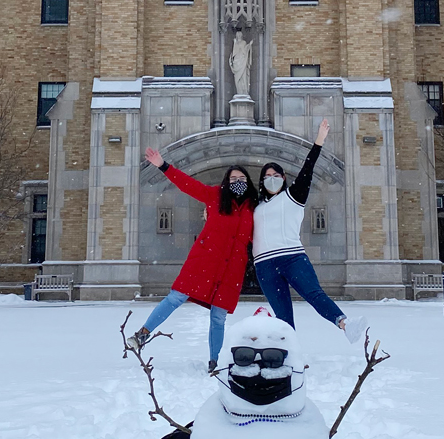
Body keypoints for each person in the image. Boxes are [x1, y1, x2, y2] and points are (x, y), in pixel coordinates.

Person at [127, 147, 259, 373]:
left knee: (218, 317)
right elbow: (187, 184)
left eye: (241, 178)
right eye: (233, 178)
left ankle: (214, 361)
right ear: (226, 182)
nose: (237, 181)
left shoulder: (254, 208)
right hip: (204, 262)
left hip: (231, 270)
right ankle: (143, 334)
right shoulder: (215, 196)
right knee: (176, 297)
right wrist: (163, 166)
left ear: (248, 182)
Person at [253, 119, 368, 343]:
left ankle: (345, 324)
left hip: (292, 258)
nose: (272, 179)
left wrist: (318, 142)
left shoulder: (293, 196)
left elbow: (307, 169)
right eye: (267, 176)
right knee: (283, 315)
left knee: (314, 295)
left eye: (276, 175)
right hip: (264, 264)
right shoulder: (257, 207)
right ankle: (289, 354)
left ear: (283, 178)